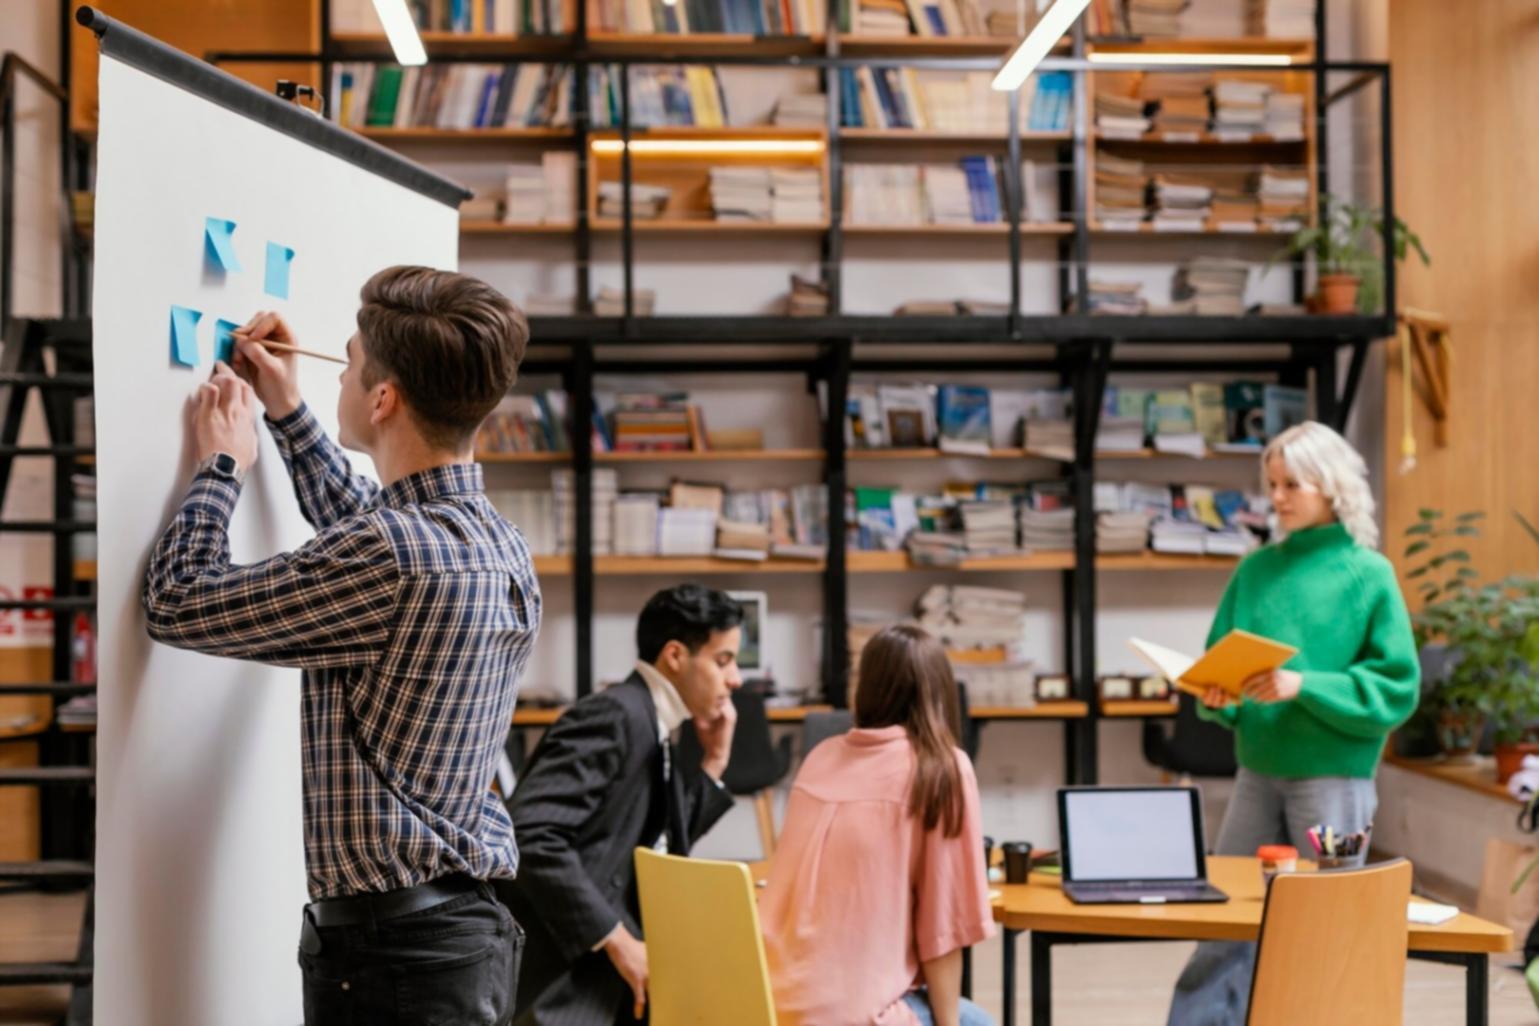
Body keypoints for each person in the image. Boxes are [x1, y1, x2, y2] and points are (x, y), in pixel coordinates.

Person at [142, 266, 537, 1026]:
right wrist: (286, 408)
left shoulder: (390, 555)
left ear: (382, 399)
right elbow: (364, 529)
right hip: (456, 938)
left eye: (350, 364)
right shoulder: (494, 543)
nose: (342, 372)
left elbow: (175, 600)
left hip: (397, 958)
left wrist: (221, 465)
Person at [1167, 420, 1419, 1026]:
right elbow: (1217, 665)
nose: (1276, 497)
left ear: (1332, 487)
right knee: (1226, 917)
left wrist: (1303, 686)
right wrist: (1214, 689)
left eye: (1292, 485)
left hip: (1334, 779)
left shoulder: (1369, 574)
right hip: (1258, 770)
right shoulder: (1254, 572)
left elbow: (1397, 686)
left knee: (1324, 930)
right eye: (1272, 483)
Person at [503, 583, 743, 1026]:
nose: (736, 679)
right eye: (723, 660)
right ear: (674, 656)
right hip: (564, 986)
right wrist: (615, 938)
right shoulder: (615, 715)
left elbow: (661, 838)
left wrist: (715, 761)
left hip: (602, 982)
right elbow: (531, 834)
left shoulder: (651, 719)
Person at [760, 623, 996, 1026]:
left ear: (865, 686)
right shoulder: (942, 769)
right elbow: (943, 932)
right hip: (855, 1015)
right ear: (938, 693)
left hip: (770, 1000)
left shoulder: (820, 756)